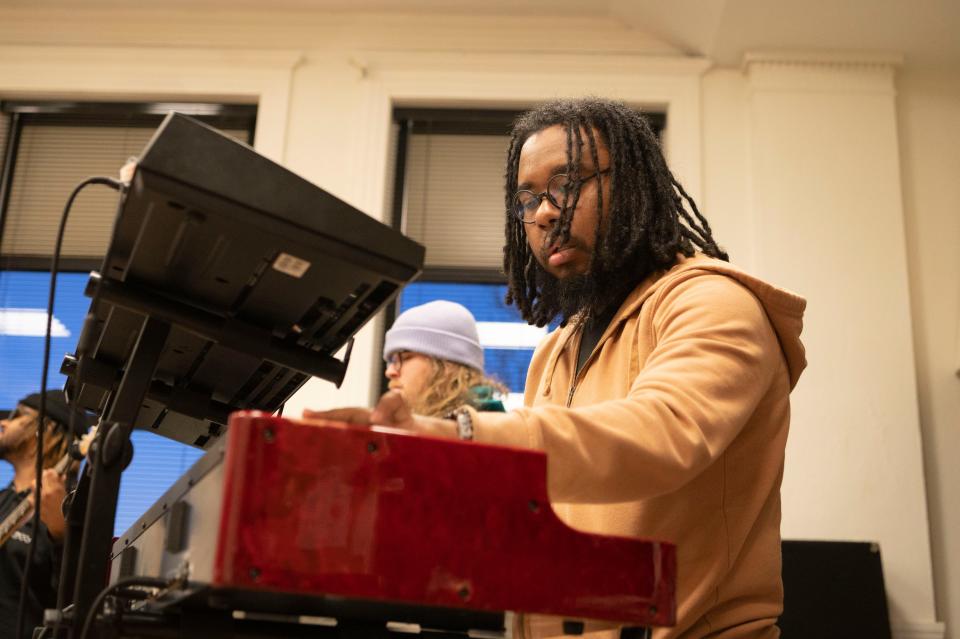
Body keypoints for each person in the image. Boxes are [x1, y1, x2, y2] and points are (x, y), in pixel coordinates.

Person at [306, 97, 806, 639]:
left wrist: (455, 434)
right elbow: (542, 509)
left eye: (566, 185)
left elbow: (663, 434)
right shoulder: (556, 350)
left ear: (635, 186)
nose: (543, 213)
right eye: (527, 198)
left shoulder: (713, 303)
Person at [0, 391, 83, 639]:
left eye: (17, 416)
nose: (3, 422)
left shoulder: (72, 513)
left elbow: (75, 606)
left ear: (44, 430)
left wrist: (61, 535)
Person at [383, 300, 506, 417]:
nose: (389, 372)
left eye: (405, 358)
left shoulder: (479, 429)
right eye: (392, 361)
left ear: (447, 364)